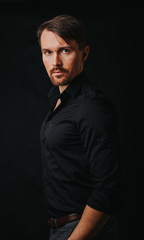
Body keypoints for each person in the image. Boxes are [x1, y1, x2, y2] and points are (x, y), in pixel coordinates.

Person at [37, 15, 121, 240]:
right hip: (59, 229)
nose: (55, 62)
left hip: (83, 231)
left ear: (84, 53)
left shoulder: (91, 106)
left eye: (65, 50)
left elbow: (108, 189)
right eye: (48, 52)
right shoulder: (59, 102)